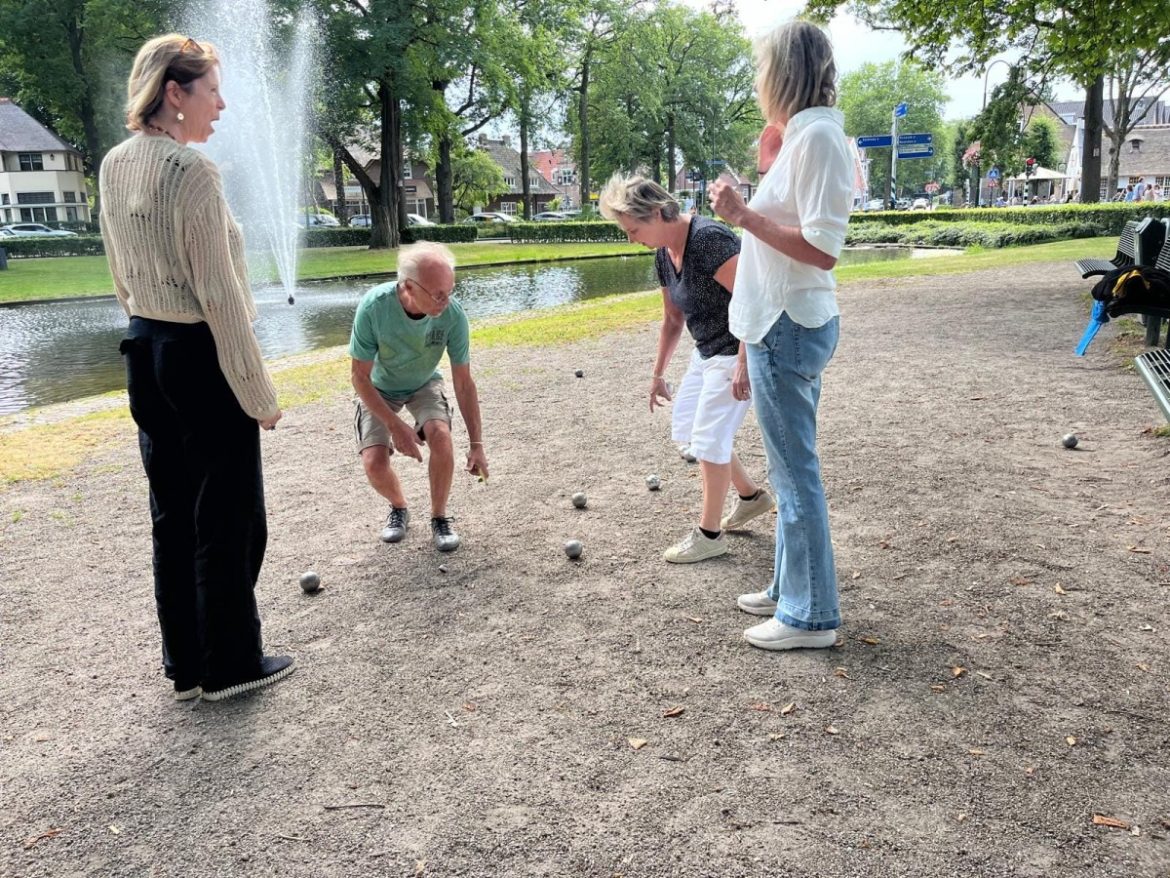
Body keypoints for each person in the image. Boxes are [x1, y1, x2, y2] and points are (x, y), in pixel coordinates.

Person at [100, 34, 294, 701]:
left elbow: (121, 277)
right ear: (174, 93)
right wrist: (258, 393)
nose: (223, 104)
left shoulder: (114, 164)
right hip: (198, 357)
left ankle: (186, 664)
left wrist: (146, 328)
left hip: (144, 350)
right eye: (212, 90)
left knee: (173, 513)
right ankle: (232, 664)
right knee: (229, 516)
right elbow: (220, 299)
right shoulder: (192, 172)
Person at [708, 20, 852, 651]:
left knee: (794, 475)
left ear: (784, 72)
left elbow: (822, 249)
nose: (758, 79)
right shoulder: (804, 137)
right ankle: (788, 586)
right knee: (789, 467)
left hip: (788, 322)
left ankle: (810, 614)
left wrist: (741, 213)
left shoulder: (819, 137)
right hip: (778, 322)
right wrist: (763, 177)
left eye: (763, 67)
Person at [598, 173, 774, 563]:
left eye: (633, 229)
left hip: (739, 347)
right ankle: (750, 496)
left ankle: (709, 535)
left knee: (710, 439)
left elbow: (755, 298)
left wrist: (746, 361)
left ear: (659, 213)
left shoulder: (710, 240)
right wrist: (657, 375)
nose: (630, 238)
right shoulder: (663, 253)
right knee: (690, 429)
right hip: (708, 349)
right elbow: (672, 320)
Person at [350, 242, 488, 552]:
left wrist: (477, 445)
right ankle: (399, 507)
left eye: (449, 291)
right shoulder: (374, 308)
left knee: (440, 436)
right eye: (438, 294)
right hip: (379, 387)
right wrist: (395, 425)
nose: (446, 301)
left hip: (424, 382)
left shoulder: (452, 315)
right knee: (374, 463)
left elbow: (463, 383)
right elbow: (359, 377)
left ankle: (439, 517)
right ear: (409, 287)